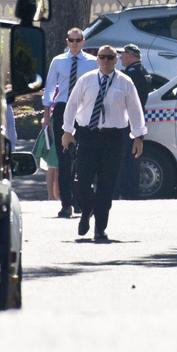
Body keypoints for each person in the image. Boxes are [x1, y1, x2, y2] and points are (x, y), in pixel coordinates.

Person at [61, 44, 146, 242]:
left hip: (113, 138)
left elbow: (135, 109)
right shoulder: (86, 80)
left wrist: (138, 137)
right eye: (102, 57)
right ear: (97, 59)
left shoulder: (125, 82)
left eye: (110, 57)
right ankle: (87, 209)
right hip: (88, 135)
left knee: (107, 185)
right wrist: (67, 131)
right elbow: (72, 105)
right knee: (81, 182)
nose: (106, 61)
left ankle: (100, 227)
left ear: (116, 60)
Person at [43, 27, 98, 217]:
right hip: (63, 108)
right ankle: (66, 203)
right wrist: (46, 114)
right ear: (67, 41)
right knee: (64, 157)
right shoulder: (58, 61)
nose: (74, 43)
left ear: (83, 41)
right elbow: (50, 88)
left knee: (83, 157)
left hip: (84, 110)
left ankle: (80, 200)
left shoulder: (92, 62)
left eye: (78, 40)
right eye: (71, 40)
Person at [115, 44, 150, 200]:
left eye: (123, 54)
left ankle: (127, 191)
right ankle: (130, 191)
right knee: (132, 157)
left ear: (131, 55)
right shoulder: (142, 71)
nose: (121, 57)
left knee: (126, 158)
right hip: (136, 119)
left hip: (129, 121)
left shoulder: (132, 74)